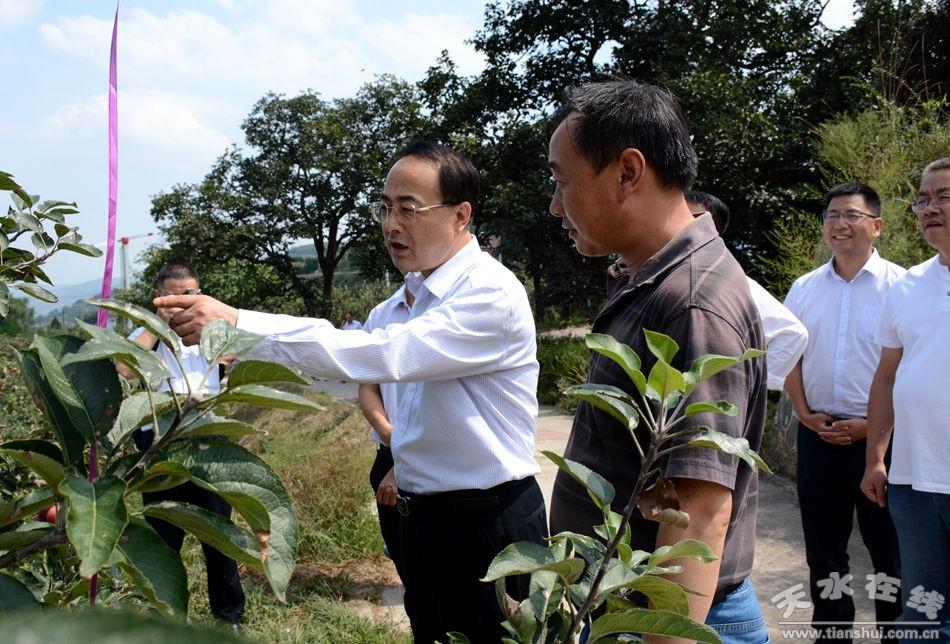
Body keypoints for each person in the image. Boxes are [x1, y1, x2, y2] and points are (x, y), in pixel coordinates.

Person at [154, 142, 547, 644]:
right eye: (385, 207)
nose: (391, 224)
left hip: (490, 525)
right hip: (421, 517)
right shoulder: (403, 302)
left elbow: (379, 355)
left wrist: (239, 323)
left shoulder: (490, 293)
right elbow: (361, 370)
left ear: (460, 215)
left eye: (408, 208)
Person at [546, 79, 769, 643]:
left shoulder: (691, 304)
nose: (555, 205)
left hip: (666, 622)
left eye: (561, 181)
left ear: (627, 172)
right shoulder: (655, 280)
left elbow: (698, 513)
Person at [784, 183, 904, 641]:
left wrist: (872, 429)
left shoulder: (901, 286)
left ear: (876, 226)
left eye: (851, 215)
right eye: (831, 215)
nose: (839, 224)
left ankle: (896, 633)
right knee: (824, 551)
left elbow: (907, 369)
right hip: (818, 434)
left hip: (882, 443)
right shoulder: (805, 287)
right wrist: (803, 412)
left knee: (888, 551)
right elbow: (790, 355)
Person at [117, 262, 245, 627]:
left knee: (219, 532)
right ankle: (166, 618)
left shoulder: (210, 333)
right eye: (172, 295)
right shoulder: (144, 337)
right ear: (158, 297)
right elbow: (124, 370)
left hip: (206, 438)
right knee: (162, 539)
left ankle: (229, 617)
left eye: (188, 294)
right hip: (159, 444)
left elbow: (228, 364)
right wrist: (157, 325)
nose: (180, 302)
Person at [861, 157, 950, 641]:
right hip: (914, 483)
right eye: (922, 199)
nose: (929, 207)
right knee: (921, 615)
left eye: (943, 196)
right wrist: (876, 457)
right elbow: (886, 379)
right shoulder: (908, 286)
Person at [685, 190, 808, 391]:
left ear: (712, 230)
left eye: (692, 218)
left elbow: (792, 333)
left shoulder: (727, 280)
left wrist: (743, 388)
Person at [357, 281, 414, 598]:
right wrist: (389, 436)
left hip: (430, 459)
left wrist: (404, 455)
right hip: (388, 452)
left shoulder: (452, 310)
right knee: (403, 556)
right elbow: (368, 387)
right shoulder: (381, 314)